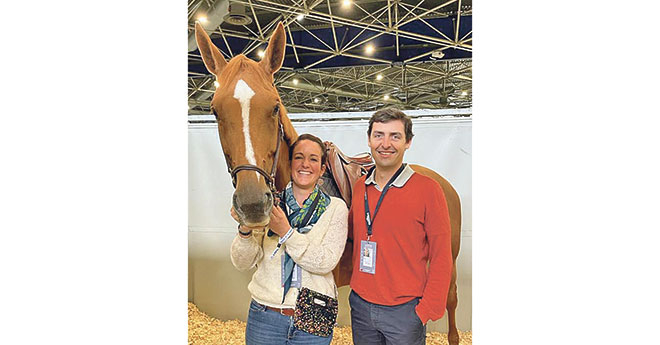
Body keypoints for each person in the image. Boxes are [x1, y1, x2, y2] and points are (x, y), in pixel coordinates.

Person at [230, 133, 348, 345]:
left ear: (322, 169)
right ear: (290, 162)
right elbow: (242, 262)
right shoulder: (268, 205)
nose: (305, 164)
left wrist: (286, 232)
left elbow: (325, 262)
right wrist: (245, 228)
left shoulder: (336, 208)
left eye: (313, 159)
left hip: (315, 313)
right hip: (265, 314)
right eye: (299, 157)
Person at [348, 107, 453, 345]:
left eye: (395, 136)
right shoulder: (359, 187)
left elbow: (441, 256)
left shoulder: (428, 189)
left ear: (408, 142)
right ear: (369, 140)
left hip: (405, 312)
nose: (386, 144)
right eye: (379, 135)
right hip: (361, 308)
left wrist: (426, 311)